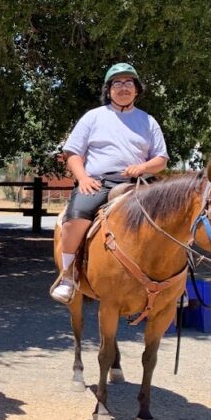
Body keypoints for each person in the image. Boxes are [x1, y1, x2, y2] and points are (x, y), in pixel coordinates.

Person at [50, 62, 169, 304]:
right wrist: (82, 178)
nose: (123, 87)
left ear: (137, 89)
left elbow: (162, 159)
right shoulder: (93, 117)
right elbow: (72, 153)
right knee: (75, 218)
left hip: (139, 182)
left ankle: (176, 282)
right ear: (109, 89)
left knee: (171, 219)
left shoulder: (148, 121)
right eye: (117, 83)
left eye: (129, 83)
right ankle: (68, 276)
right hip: (99, 182)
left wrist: (144, 167)